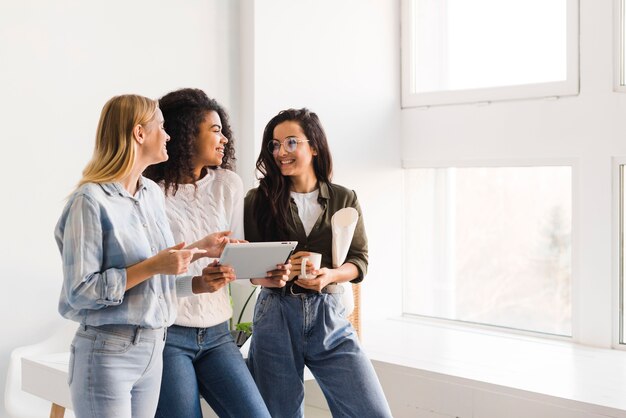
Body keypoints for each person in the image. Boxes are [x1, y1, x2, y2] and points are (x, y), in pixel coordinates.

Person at [56, 94, 233, 418]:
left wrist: (199, 256)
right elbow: (80, 291)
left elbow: (155, 283)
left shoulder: (150, 194)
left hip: (154, 348)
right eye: (161, 127)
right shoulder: (91, 200)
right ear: (139, 133)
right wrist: (153, 266)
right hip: (109, 352)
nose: (168, 136)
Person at [244, 108, 393, 417]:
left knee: (372, 412)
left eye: (290, 142)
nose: (280, 151)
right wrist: (275, 274)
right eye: (274, 144)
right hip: (276, 316)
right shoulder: (257, 200)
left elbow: (359, 261)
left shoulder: (343, 197)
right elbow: (253, 271)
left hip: (331, 316)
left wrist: (329, 276)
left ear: (314, 146)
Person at [144, 88, 280, 418]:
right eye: (214, 130)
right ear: (187, 134)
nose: (224, 140)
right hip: (168, 335)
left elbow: (236, 258)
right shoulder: (149, 192)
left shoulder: (228, 184)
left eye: (223, 131)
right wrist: (198, 274)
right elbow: (149, 270)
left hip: (219, 333)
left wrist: (266, 272)